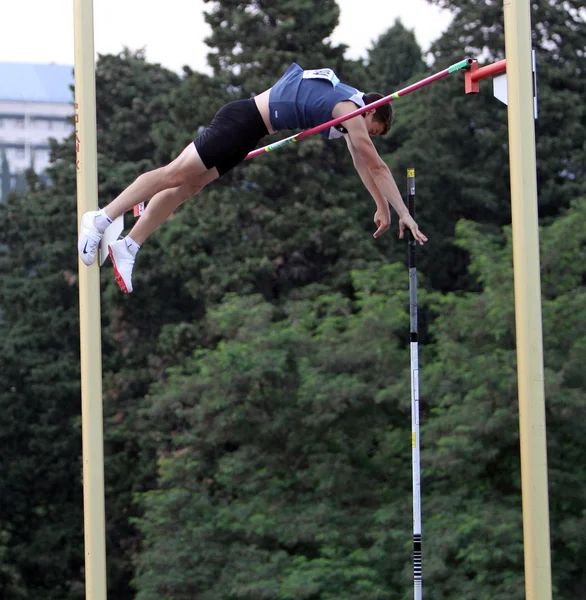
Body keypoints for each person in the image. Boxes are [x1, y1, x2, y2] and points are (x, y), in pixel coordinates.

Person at [78, 62, 428, 294]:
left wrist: (381, 205)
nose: (370, 136)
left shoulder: (346, 111)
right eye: (375, 130)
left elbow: (360, 163)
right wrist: (404, 214)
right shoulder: (352, 111)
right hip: (243, 120)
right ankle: (102, 218)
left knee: (189, 186)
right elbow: (376, 164)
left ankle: (129, 245)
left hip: (250, 132)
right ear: (374, 112)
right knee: (174, 175)